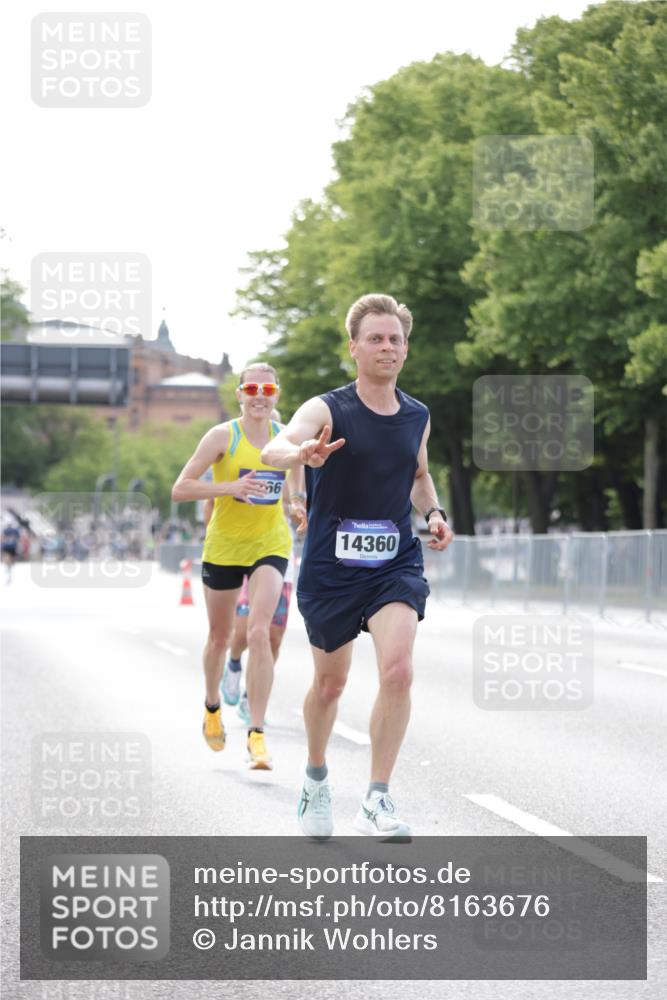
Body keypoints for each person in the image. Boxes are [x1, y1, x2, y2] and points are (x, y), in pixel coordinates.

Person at [262, 293, 453, 839]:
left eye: (395, 338)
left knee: (398, 669)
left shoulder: (417, 414)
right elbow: (276, 446)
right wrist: (300, 455)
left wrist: (434, 512)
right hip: (330, 567)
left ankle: (377, 798)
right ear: (355, 348)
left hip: (393, 562)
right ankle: (316, 778)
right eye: (375, 337)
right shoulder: (327, 409)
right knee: (330, 684)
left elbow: (418, 475)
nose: (387, 346)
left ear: (405, 348)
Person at [171, 363, 305, 770]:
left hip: (270, 543)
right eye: (252, 388)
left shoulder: (288, 440)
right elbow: (181, 489)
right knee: (219, 636)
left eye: (267, 388)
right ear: (240, 394)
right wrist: (230, 487)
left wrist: (297, 504)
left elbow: (295, 479)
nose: (260, 395)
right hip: (225, 546)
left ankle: (257, 734)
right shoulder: (221, 437)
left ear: (276, 394)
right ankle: (213, 705)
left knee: (261, 631)